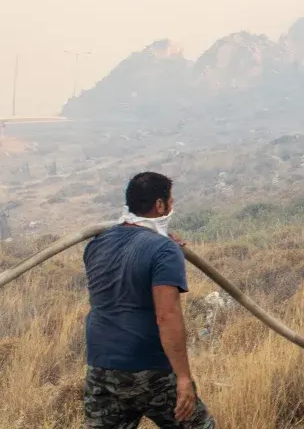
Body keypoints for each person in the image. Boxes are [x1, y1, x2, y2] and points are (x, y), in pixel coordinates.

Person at [83, 172, 215, 429]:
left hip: (100, 366)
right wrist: (184, 378)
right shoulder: (164, 250)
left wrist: (163, 241)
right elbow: (167, 316)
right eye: (170, 201)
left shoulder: (95, 244)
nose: (171, 206)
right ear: (160, 205)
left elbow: (125, 275)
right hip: (148, 366)